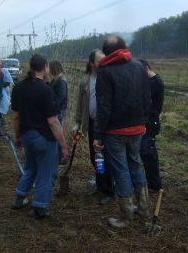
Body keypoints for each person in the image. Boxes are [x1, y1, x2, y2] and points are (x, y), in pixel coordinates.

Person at [93, 36, 150, 228]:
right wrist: (144, 122)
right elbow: (146, 98)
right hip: (137, 128)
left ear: (107, 53)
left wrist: (98, 135)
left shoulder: (105, 71)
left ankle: (126, 215)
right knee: (135, 164)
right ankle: (143, 208)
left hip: (115, 130)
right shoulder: (138, 66)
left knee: (121, 169)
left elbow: (104, 106)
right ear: (123, 48)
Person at [10, 54, 69, 219]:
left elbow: (16, 116)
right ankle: (40, 207)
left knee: (31, 167)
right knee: (46, 172)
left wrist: (17, 136)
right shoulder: (45, 90)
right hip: (44, 139)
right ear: (45, 67)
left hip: (27, 136)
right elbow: (53, 122)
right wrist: (63, 146)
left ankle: (19, 198)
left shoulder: (18, 87)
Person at [72, 49, 114, 205]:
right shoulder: (85, 81)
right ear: (91, 63)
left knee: (105, 158)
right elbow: (80, 103)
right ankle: (100, 184)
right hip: (91, 123)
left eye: (105, 59)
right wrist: (78, 122)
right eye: (100, 60)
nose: (103, 62)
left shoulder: (108, 77)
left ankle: (109, 191)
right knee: (94, 157)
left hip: (105, 125)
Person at [138, 59, 164, 192]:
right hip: (147, 121)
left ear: (147, 68)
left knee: (149, 152)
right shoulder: (150, 82)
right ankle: (151, 181)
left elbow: (147, 103)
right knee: (145, 152)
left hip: (150, 122)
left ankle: (154, 183)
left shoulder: (155, 83)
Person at [49, 60, 68, 126]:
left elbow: (61, 97)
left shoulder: (61, 81)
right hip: (56, 110)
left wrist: (52, 106)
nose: (49, 70)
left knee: (58, 131)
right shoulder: (55, 80)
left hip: (59, 111)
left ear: (54, 69)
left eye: (50, 68)